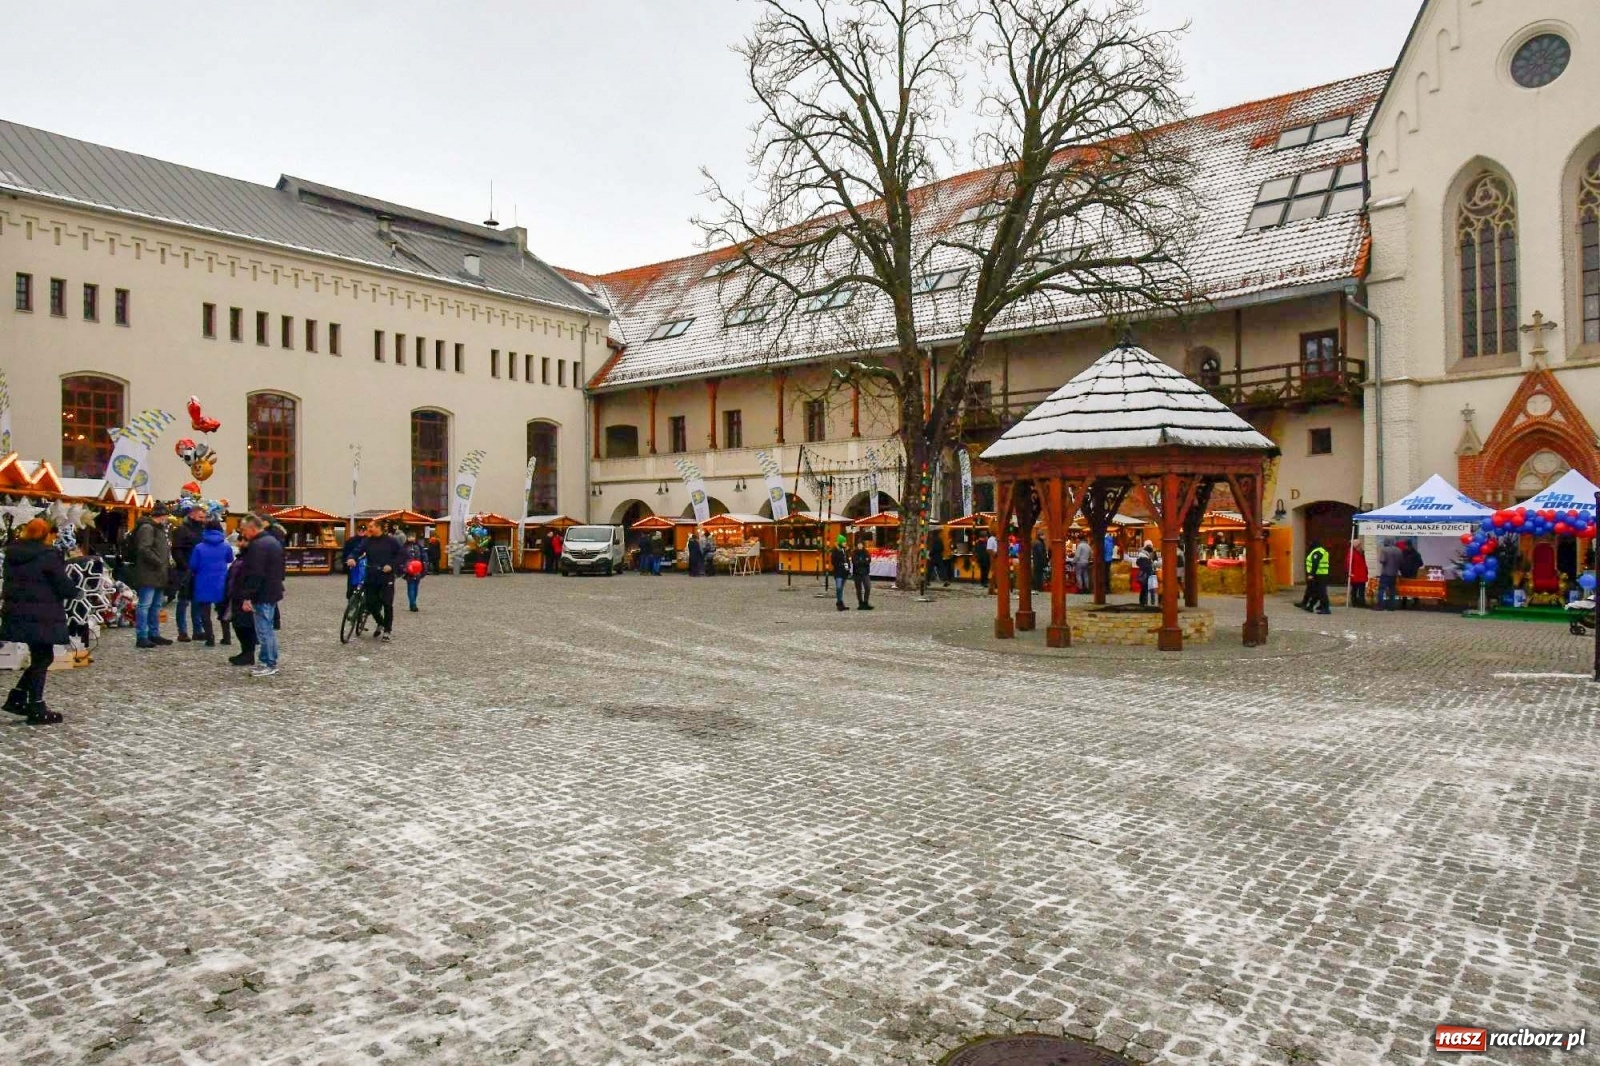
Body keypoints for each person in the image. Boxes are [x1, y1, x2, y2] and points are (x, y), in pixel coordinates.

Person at [2, 518, 73, 725]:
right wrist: (74, 591)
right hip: (42, 614)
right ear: (46, 535)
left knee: (40, 657)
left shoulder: (13, 555)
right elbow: (62, 584)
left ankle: (17, 697)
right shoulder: (47, 556)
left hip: (19, 613)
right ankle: (36, 705)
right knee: (43, 658)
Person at [236, 513, 286, 676]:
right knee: (268, 628)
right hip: (271, 590)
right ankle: (269, 660)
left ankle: (268, 662)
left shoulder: (258, 545)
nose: (243, 534)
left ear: (251, 528)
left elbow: (255, 573)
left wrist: (247, 595)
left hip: (262, 593)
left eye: (243, 530)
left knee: (264, 630)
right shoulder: (272, 541)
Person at [129, 504, 173, 649]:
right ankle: (142, 635)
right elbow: (144, 548)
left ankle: (153, 634)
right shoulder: (148, 528)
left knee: (155, 606)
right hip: (149, 572)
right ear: (162, 515)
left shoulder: (157, 528)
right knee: (145, 605)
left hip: (158, 573)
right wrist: (159, 561)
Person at [187, 519, 232, 646]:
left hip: (203, 581)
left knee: (205, 612)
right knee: (223, 610)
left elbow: (193, 565)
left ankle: (210, 638)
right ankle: (226, 637)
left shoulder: (199, 547)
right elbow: (230, 559)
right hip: (221, 581)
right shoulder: (225, 546)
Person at [361, 521, 403, 640]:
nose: (368, 529)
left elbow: (401, 554)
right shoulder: (367, 541)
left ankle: (387, 630)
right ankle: (381, 622)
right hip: (371, 576)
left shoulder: (391, 541)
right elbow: (357, 550)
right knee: (371, 604)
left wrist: (391, 565)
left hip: (386, 577)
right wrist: (351, 558)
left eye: (371, 527)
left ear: (378, 528)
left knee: (387, 603)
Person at [170, 504, 206, 642]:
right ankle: (182, 631)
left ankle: (198, 630)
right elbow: (177, 550)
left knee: (197, 602)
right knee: (183, 602)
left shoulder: (202, 530)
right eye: (200, 517)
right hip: (185, 570)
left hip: (199, 570)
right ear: (192, 515)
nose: (202, 519)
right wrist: (185, 566)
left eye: (203, 517)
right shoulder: (181, 530)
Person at [1301, 539, 1332, 614]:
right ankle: (1312, 606)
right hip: (1322, 574)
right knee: (1318, 592)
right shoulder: (1322, 550)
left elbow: (1315, 564)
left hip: (1319, 575)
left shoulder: (1317, 552)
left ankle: (1326, 608)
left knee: (1321, 592)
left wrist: (1311, 574)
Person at [402, 531, 427, 612]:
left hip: (418, 569)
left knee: (416, 588)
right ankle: (413, 604)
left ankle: (413, 602)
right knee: (411, 587)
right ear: (407, 538)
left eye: (413, 537)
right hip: (409, 569)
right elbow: (401, 558)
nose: (412, 538)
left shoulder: (419, 547)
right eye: (410, 537)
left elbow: (424, 557)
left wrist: (424, 567)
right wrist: (404, 568)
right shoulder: (404, 547)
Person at [1377, 538, 1402, 611]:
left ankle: (1380, 605)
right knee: (1392, 589)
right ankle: (1391, 606)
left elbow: (1382, 560)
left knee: (1381, 589)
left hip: (1386, 572)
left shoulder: (1384, 550)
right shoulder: (1399, 550)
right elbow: (1401, 561)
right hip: (1394, 573)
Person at [341, 529, 367, 599]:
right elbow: (346, 551)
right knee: (352, 582)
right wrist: (346, 561)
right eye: (360, 530)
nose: (361, 532)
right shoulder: (351, 540)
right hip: (353, 563)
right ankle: (350, 598)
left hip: (365, 564)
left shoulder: (368, 540)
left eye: (363, 530)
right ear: (357, 531)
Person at [1398, 538, 1424, 608]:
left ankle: (1416, 602)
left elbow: (1421, 563)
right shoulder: (1402, 553)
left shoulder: (1416, 554)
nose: (1406, 547)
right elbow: (1399, 562)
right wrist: (1401, 568)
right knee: (1404, 589)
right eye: (1406, 546)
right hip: (1404, 573)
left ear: (1410, 546)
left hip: (1412, 573)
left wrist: (1414, 567)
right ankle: (1404, 603)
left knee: (1413, 588)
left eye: (1407, 546)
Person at [852, 536, 874, 610]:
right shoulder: (854, 553)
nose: (860, 545)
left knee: (867, 587)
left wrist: (861, 561)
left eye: (861, 544)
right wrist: (863, 561)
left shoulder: (866, 552)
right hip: (857, 573)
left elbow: (868, 561)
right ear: (857, 545)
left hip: (865, 573)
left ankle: (866, 602)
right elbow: (855, 562)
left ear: (863, 545)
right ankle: (860, 603)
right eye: (858, 544)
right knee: (859, 589)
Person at [830, 534, 849, 612]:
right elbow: (833, 561)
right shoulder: (836, 550)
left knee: (841, 588)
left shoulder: (845, 550)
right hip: (838, 572)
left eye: (845, 542)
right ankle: (839, 603)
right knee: (838, 588)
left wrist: (848, 568)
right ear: (840, 542)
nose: (845, 543)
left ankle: (840, 603)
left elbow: (847, 560)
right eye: (844, 542)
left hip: (844, 572)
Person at [1348, 538, 1369, 608]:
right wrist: (1349, 572)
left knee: (1361, 591)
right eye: (1360, 545)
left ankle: (1361, 603)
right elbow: (1348, 564)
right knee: (1355, 590)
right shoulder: (1352, 553)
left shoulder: (1361, 553)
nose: (1361, 546)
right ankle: (1355, 603)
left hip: (1361, 575)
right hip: (1355, 575)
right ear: (1356, 546)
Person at [1136, 540, 1156, 607]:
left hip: (1150, 572)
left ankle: (1150, 602)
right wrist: (1150, 563)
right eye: (1148, 545)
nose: (1150, 547)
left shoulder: (1152, 553)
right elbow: (1140, 563)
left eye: (1150, 545)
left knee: (1151, 588)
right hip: (1146, 573)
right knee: (1145, 588)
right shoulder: (1142, 554)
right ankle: (1144, 602)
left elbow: (1155, 560)